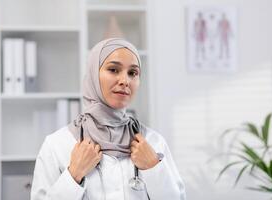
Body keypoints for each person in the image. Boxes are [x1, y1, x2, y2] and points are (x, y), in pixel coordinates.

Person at [30, 38, 186, 200]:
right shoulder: (58, 145)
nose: (125, 81)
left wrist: (153, 168)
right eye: (113, 69)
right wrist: (74, 175)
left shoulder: (154, 142)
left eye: (133, 73)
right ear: (93, 74)